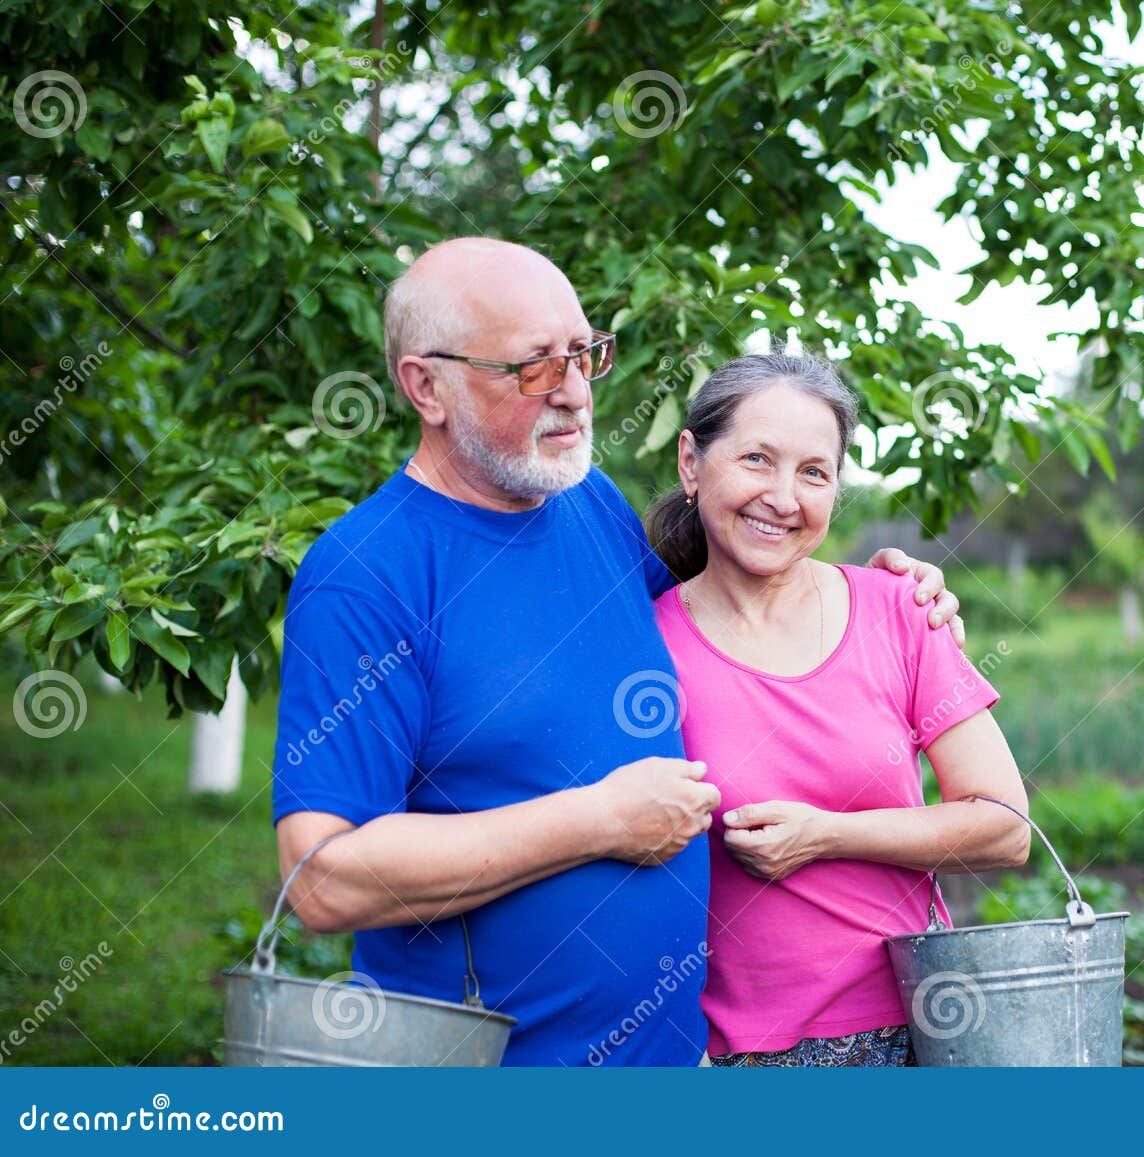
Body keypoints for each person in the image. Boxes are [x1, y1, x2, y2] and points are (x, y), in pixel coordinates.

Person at [270, 237, 964, 1066]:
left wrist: (884, 596)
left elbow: (726, 613)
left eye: (585, 354)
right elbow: (321, 876)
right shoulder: (366, 575)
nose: (573, 394)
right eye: (534, 368)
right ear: (428, 386)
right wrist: (598, 821)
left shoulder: (586, 501)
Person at [645, 352, 1031, 1067]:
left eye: (814, 472)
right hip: (740, 1058)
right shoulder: (644, 647)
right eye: (757, 459)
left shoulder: (900, 610)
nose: (784, 497)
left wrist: (826, 834)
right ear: (691, 462)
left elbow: (1006, 827)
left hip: (927, 1030)